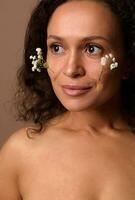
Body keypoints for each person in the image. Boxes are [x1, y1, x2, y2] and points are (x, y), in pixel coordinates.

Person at [0, 0, 135, 199]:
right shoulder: (20, 152)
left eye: (92, 49)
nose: (71, 69)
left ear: (128, 61)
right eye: (57, 48)